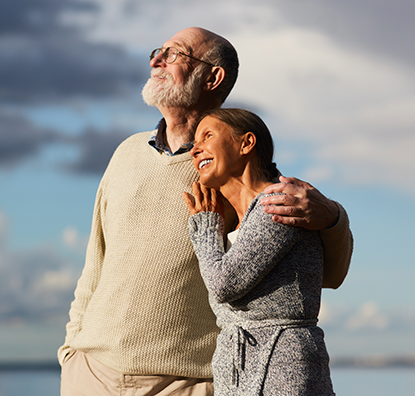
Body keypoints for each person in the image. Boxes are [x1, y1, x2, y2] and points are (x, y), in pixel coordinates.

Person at [58, 27, 352, 396]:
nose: (156, 61)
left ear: (212, 77)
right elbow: (95, 261)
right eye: (157, 51)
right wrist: (72, 351)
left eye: (174, 54)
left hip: (186, 383)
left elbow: (326, 274)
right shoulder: (126, 153)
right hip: (91, 374)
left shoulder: (233, 169)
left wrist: (333, 217)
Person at [184, 108, 334, 395]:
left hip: (281, 364)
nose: (195, 149)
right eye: (194, 142)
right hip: (237, 368)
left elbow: (223, 285)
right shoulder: (237, 220)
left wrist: (204, 228)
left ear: (246, 143)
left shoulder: (280, 203)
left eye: (208, 136)